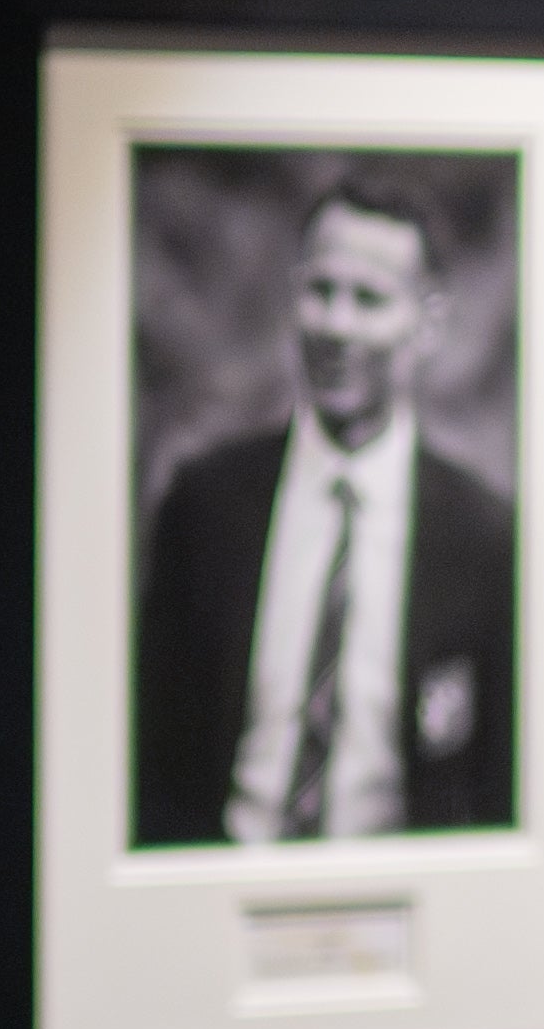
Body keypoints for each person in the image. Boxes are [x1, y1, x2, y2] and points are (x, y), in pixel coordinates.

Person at [134, 177, 515, 846]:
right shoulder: (204, 507)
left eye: (368, 300)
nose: (336, 325)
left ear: (426, 324)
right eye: (320, 291)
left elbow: (498, 789)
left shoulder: (483, 537)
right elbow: (149, 759)